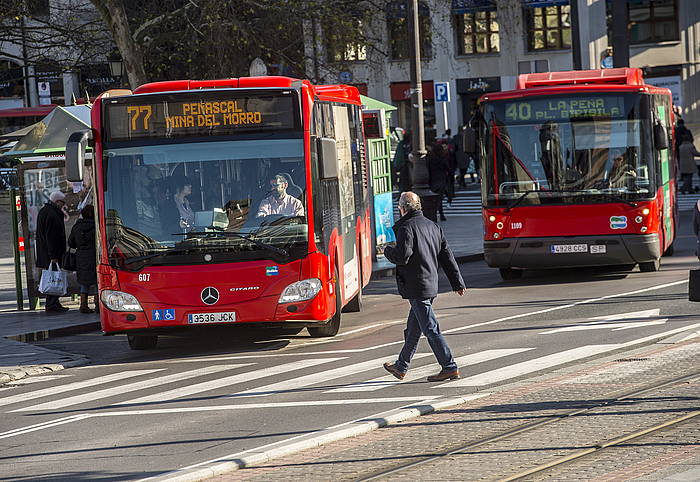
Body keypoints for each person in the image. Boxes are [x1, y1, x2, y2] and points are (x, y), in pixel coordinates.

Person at [382, 192, 467, 382]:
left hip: (416, 286)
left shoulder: (407, 228)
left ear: (403, 208)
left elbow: (402, 256)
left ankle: (449, 366)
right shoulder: (432, 226)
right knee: (414, 328)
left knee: (430, 328)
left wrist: (387, 251)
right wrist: (457, 282)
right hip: (430, 284)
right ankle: (401, 366)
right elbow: (447, 256)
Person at [35, 191, 69, 313]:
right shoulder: (52, 214)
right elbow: (52, 237)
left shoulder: (45, 211)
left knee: (53, 277)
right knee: (54, 277)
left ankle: (53, 302)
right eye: (62, 202)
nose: (63, 205)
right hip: (51, 253)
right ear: (57, 201)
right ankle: (52, 303)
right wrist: (53, 256)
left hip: (46, 252)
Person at [68, 204, 98, 314]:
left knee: (84, 283)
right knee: (96, 281)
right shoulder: (96, 226)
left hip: (81, 258)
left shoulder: (77, 226)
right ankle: (98, 305)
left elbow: (71, 243)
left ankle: (83, 305)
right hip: (94, 256)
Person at [427, 142, 450, 221]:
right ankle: (440, 214)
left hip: (433, 180)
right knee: (439, 199)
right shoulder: (442, 158)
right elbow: (448, 168)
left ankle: (437, 214)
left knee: (434, 199)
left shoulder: (430, 158)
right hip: (441, 180)